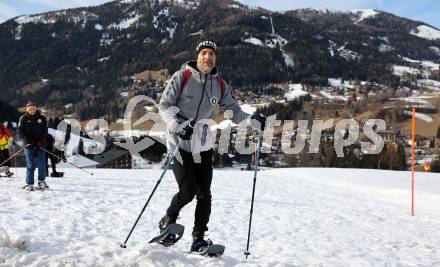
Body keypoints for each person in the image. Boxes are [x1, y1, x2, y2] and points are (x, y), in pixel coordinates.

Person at [158, 40, 265, 251]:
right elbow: (164, 105)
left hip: (203, 145)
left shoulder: (220, 84)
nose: (208, 57)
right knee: (187, 191)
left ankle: (198, 238)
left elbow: (233, 110)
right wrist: (177, 125)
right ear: (197, 56)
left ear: (215, 58)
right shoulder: (182, 76)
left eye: (212, 54)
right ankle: (168, 219)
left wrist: (253, 121)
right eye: (204, 53)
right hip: (179, 143)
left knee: (204, 194)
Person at [18, 100, 49, 191]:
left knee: (42, 164)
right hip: (28, 145)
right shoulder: (23, 118)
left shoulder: (42, 118)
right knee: (31, 165)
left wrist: (41, 141)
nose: (32, 110)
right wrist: (28, 140)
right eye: (30, 108)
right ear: (27, 109)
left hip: (40, 144)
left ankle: (41, 181)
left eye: (33, 108)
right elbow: (20, 131)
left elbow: (45, 131)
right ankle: (29, 183)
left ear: (36, 108)